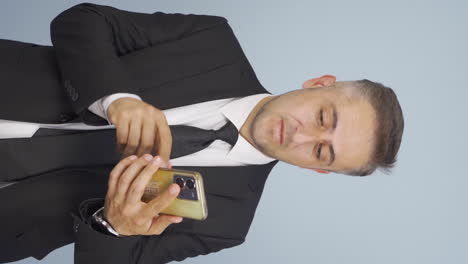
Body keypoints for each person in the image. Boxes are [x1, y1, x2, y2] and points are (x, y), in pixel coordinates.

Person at [0, 2, 404, 264]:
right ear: (319, 83)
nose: (300, 137)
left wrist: (115, 227)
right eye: (322, 118)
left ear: (319, 172)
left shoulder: (226, 223)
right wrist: (115, 97)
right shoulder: (212, 41)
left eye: (321, 152)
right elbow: (80, 21)